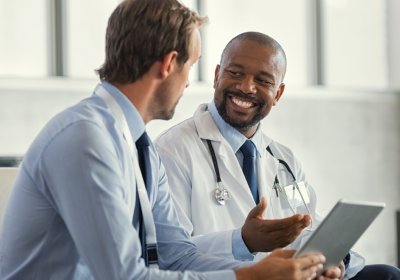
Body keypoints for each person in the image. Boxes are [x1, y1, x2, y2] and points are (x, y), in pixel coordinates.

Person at [0, 1, 339, 280]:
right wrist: (251, 277)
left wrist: (269, 269)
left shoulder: (140, 149)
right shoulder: (86, 140)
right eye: (191, 66)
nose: (190, 83)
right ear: (168, 64)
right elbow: (124, 276)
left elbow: (176, 256)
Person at [155, 31, 400, 280]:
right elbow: (169, 254)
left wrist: (333, 261)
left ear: (278, 94)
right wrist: (242, 242)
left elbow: (309, 225)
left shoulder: (284, 161)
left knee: (387, 275)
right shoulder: (173, 150)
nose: (246, 87)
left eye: (263, 80)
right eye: (235, 73)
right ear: (217, 75)